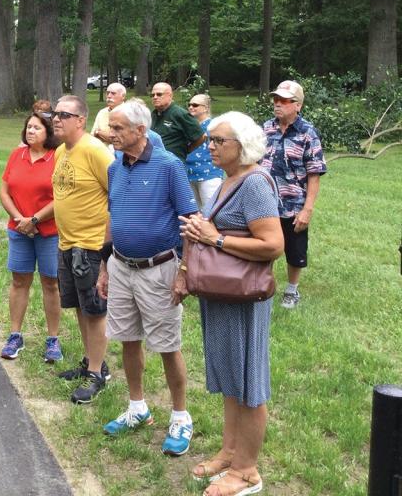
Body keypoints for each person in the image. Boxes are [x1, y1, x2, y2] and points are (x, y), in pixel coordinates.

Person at [177, 111, 283, 496]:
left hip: (244, 299)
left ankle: (246, 471)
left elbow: (272, 245)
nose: (211, 147)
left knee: (249, 383)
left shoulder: (254, 184)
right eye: (210, 140)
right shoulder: (228, 181)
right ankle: (229, 452)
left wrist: (215, 238)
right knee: (230, 379)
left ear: (244, 145)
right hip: (223, 295)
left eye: (219, 141)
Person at [97, 98, 198, 456]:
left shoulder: (169, 166)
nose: (112, 134)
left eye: (118, 128)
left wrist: (184, 272)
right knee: (127, 338)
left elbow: (191, 222)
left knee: (168, 346)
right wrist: (104, 265)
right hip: (121, 266)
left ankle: (181, 416)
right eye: (111, 127)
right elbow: (113, 217)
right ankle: (137, 408)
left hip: (160, 269)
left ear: (141, 131)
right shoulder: (115, 168)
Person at [48, 94, 115, 402]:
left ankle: (97, 373)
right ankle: (91, 361)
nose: (56, 119)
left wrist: (106, 247)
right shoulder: (62, 150)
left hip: (89, 245)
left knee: (95, 310)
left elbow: (117, 195)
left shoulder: (95, 151)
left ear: (80, 120)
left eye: (63, 114)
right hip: (67, 243)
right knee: (78, 306)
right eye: (54, 114)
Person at [0, 111, 61, 362]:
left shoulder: (58, 157)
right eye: (28, 127)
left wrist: (34, 219)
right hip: (19, 231)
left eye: (36, 128)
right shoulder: (17, 155)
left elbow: (62, 197)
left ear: (49, 132)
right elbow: (4, 192)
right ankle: (15, 335)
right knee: (19, 282)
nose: (30, 131)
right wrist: (20, 220)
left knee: (51, 284)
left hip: (49, 232)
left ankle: (53, 340)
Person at [260, 80, 326, 309]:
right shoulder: (266, 127)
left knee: (294, 249)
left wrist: (307, 209)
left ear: (297, 105)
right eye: (275, 100)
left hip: (293, 202)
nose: (278, 105)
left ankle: (291, 290)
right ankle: (264, 284)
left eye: (284, 101)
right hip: (265, 201)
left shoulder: (308, 133)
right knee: (263, 244)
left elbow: (314, 174)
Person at [150, 82, 205, 162]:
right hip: (155, 163)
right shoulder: (153, 114)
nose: (155, 97)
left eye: (159, 94)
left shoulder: (180, 114)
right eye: (152, 95)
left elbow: (201, 137)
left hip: (174, 164)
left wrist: (186, 150)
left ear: (170, 96)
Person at [186, 93, 224, 206]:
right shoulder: (188, 125)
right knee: (193, 211)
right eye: (189, 104)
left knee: (210, 210)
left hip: (209, 174)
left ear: (206, 108)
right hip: (189, 173)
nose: (191, 107)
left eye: (195, 105)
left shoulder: (214, 126)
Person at [91, 82, 126, 148]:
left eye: (113, 93)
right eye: (107, 93)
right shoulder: (102, 112)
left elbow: (121, 139)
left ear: (123, 96)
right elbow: (93, 137)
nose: (109, 96)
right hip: (101, 153)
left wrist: (99, 132)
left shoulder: (129, 112)